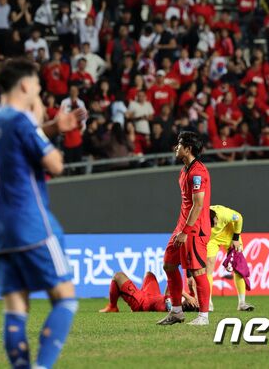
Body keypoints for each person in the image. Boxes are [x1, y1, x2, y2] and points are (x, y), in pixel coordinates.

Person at [0, 58, 85, 369]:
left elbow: (18, 145)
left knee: (15, 309)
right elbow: (56, 165)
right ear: (25, 86)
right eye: (38, 87)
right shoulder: (21, 120)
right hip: (31, 224)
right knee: (65, 298)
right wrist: (41, 121)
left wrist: (50, 126)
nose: (39, 92)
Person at [157, 131, 212, 326]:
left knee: (197, 272)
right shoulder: (184, 171)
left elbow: (198, 205)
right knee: (169, 265)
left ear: (188, 149)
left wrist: (186, 231)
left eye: (179, 145)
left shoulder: (198, 173)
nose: (176, 148)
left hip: (194, 230)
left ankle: (204, 316)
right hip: (182, 227)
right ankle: (177, 312)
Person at [206, 205, 255, 312]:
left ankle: (242, 303)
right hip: (212, 240)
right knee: (208, 267)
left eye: (214, 223)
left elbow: (239, 217)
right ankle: (208, 303)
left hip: (229, 234)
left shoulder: (224, 214)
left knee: (238, 267)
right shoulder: (199, 218)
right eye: (211, 225)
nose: (214, 226)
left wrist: (236, 238)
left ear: (216, 218)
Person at [98, 271, 199, 313]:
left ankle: (112, 307)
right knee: (150, 275)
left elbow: (172, 285)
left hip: (142, 302)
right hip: (153, 295)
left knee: (118, 276)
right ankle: (137, 291)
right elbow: (172, 288)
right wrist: (192, 292)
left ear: (186, 305)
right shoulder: (181, 302)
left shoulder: (172, 306)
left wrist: (188, 297)